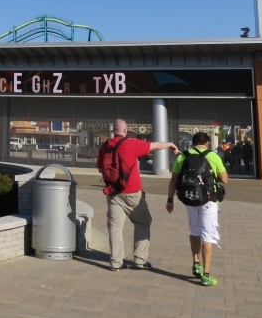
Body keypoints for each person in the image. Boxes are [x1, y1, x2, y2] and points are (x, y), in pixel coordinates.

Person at [98, 119, 180, 272]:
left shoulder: (104, 147)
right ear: (125, 130)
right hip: (133, 193)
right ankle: (140, 260)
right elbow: (155, 146)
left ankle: (116, 263)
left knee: (115, 228)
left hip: (113, 193)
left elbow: (100, 169)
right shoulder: (131, 143)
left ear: (113, 130)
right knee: (143, 222)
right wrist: (170, 144)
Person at [166, 131, 229, 287]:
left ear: (193, 143)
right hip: (208, 201)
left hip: (189, 199)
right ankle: (206, 275)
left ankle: (196, 263)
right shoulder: (213, 156)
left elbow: (174, 179)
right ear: (207, 143)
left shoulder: (183, 156)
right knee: (208, 235)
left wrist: (170, 200)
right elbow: (224, 180)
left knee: (194, 231)